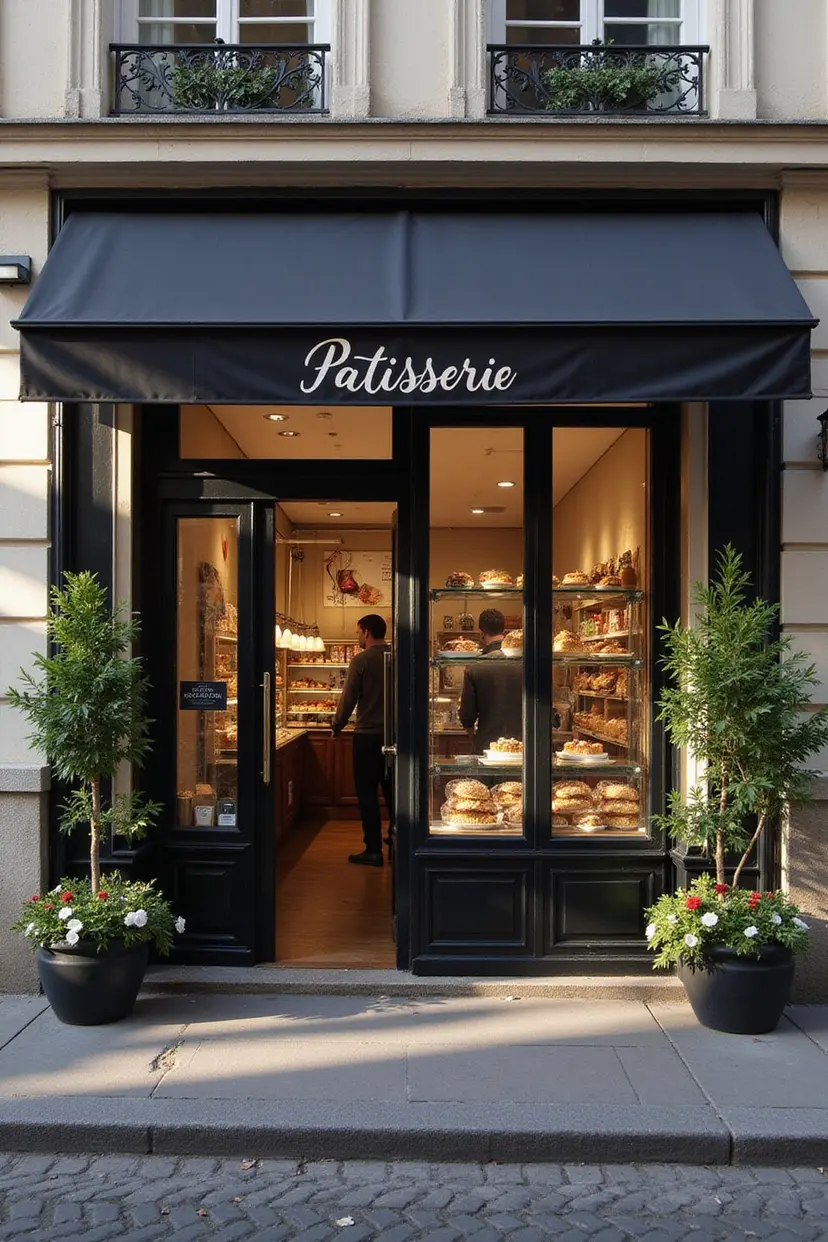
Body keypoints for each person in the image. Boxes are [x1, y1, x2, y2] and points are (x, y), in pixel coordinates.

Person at [331, 613, 393, 867]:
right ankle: (397, 839)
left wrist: (337, 726)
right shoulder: (398, 658)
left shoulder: (361, 661)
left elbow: (349, 699)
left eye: (358, 632)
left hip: (367, 736)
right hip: (396, 736)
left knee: (367, 793)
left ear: (366, 632)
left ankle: (373, 849)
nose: (358, 636)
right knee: (394, 792)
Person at [458, 608, 522, 753]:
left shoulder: (474, 667)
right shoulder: (526, 664)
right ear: (503, 629)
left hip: (488, 745)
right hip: (523, 746)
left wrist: (473, 739)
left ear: (481, 633)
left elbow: (467, 715)